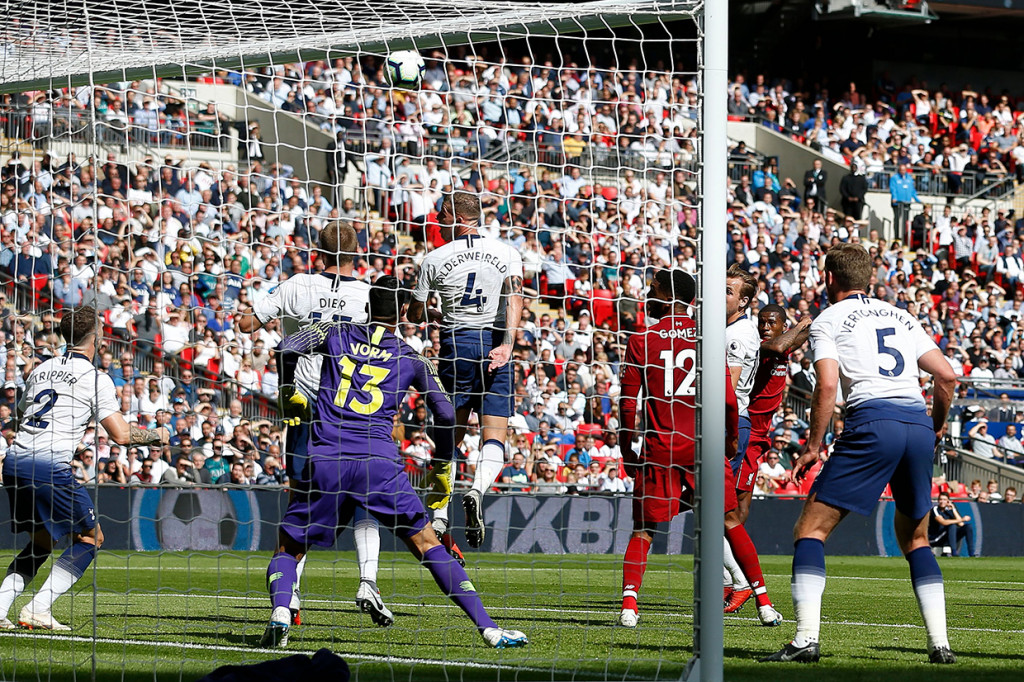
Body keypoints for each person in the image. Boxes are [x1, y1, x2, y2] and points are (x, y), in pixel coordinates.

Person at [262, 276, 526, 650]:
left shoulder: (334, 332)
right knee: (426, 542)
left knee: (289, 547)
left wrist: (288, 390)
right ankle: (489, 628)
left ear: (367, 306)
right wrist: (442, 461)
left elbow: (287, 345)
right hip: (379, 465)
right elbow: (448, 414)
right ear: (403, 312)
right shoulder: (411, 357)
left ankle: (282, 612)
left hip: (327, 459)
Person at [761, 243, 957, 664]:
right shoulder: (902, 315)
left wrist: (813, 447)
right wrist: (936, 424)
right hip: (916, 422)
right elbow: (946, 375)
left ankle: (805, 639)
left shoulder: (828, 319)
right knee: (917, 538)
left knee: (810, 531)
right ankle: (939, 644)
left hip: (873, 420)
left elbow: (828, 387)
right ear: (868, 277)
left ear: (828, 277)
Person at [236, 220, 383, 627]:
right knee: (362, 495)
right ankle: (367, 579)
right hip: (349, 409)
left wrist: (257, 306)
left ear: (316, 252)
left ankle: (292, 593)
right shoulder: (367, 294)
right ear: (357, 254)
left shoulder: (297, 284)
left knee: (301, 499)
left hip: (302, 406)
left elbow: (248, 323)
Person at [617, 270, 781, 628]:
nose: (648, 294)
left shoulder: (641, 339)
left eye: (653, 290)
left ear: (667, 297)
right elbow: (726, 398)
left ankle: (629, 606)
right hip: (703, 445)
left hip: (660, 445)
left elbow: (628, 406)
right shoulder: (707, 338)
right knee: (730, 521)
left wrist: (627, 450)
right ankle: (764, 603)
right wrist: (731, 438)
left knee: (644, 530)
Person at [0, 307, 166, 630]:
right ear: (97, 338)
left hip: (16, 462)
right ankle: (38, 608)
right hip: (48, 466)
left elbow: (19, 418)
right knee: (92, 537)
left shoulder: (41, 369)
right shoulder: (96, 378)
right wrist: (157, 435)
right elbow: (119, 434)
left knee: (42, 542)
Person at [408, 191, 524, 553]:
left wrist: (435, 313)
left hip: (457, 343)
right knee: (496, 433)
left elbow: (413, 314)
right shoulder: (507, 251)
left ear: (452, 215)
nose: (438, 222)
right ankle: (476, 490)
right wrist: (508, 343)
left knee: (450, 433)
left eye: (441, 215)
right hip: (496, 343)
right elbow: (515, 297)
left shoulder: (434, 258)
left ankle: (440, 512)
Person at [728, 305, 810, 614]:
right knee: (731, 514)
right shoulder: (763, 346)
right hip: (745, 431)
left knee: (738, 513)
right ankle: (736, 581)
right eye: (761, 322)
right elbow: (779, 344)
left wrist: (804, 328)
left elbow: (791, 343)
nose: (764, 327)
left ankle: (730, 579)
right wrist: (803, 322)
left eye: (771, 323)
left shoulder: (783, 347)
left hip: (759, 437)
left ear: (781, 325)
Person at [723, 265, 761, 606]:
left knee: (719, 512)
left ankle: (738, 580)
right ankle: (729, 580)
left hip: (730, 423)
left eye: (728, 292)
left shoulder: (737, 335)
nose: (721, 296)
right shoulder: (732, 328)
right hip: (728, 421)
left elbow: (729, 392)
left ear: (744, 301)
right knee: (710, 510)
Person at [928, 492, 976, 557]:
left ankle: (971, 553)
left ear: (948, 501)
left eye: (944, 500)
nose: (942, 502)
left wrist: (953, 509)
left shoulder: (949, 510)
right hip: (936, 537)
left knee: (968, 527)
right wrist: (962, 519)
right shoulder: (935, 509)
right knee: (952, 525)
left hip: (948, 536)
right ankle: (954, 552)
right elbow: (943, 522)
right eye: (941, 499)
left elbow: (961, 524)